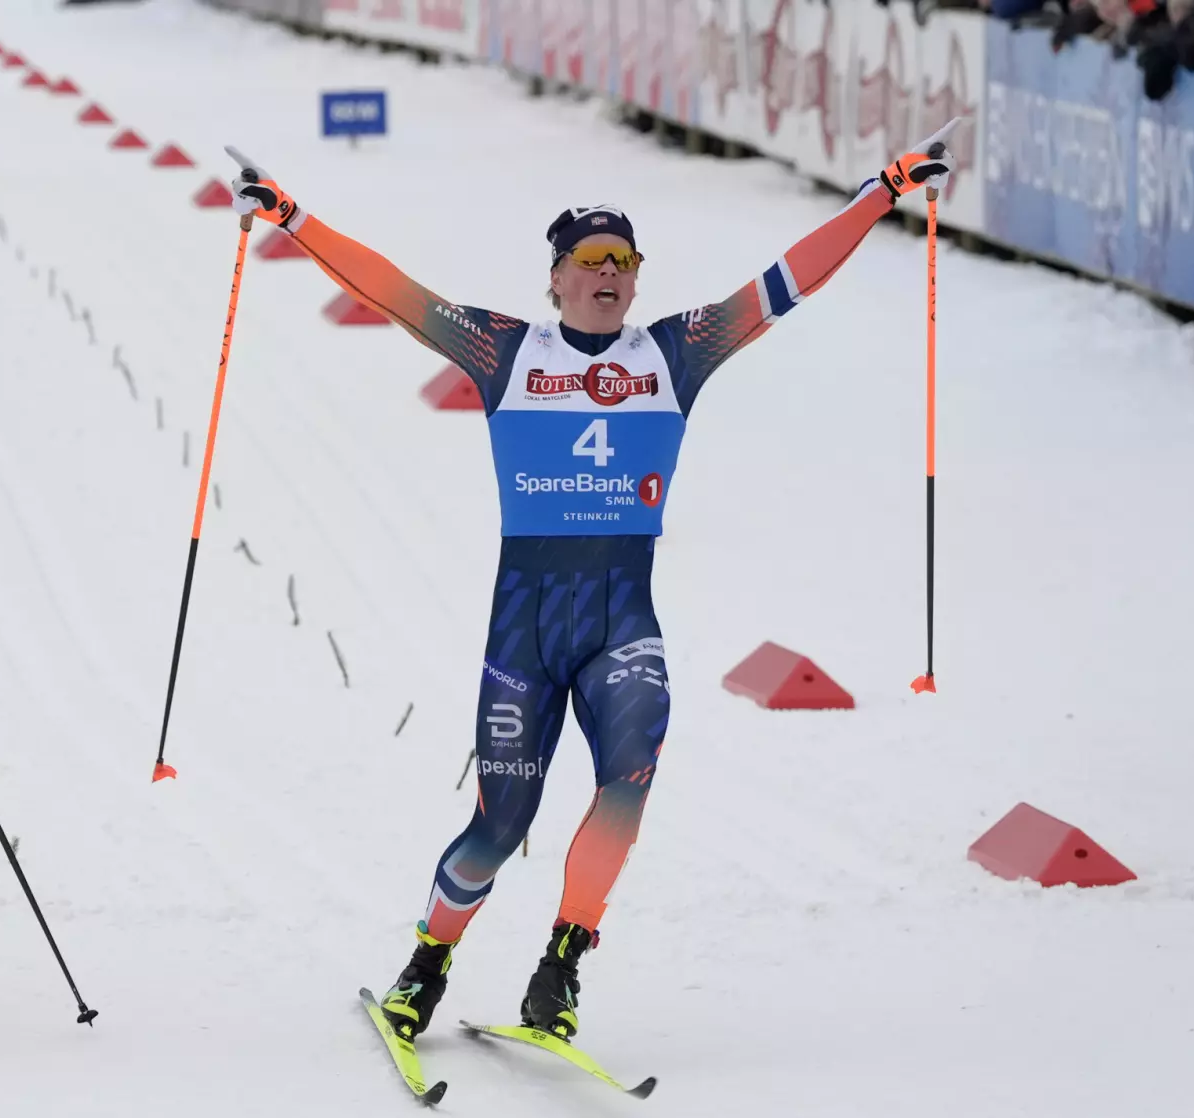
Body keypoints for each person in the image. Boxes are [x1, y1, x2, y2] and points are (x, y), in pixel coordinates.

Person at [227, 122, 957, 1043]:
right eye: (591, 257)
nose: (611, 272)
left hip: (620, 619)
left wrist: (882, 188)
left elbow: (786, 281)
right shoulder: (505, 353)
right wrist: (290, 216)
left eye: (625, 258)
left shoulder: (674, 353)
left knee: (630, 774)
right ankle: (428, 962)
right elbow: (394, 291)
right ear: (558, 276)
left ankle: (561, 968)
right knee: (500, 825)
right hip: (525, 630)